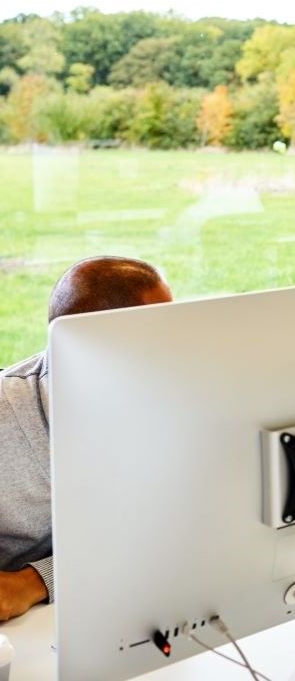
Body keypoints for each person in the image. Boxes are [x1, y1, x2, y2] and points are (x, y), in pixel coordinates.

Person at [0, 256, 172, 622]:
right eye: (164, 330)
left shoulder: (172, 401)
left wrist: (37, 581)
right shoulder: (7, 417)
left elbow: (160, 532)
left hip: (122, 607)